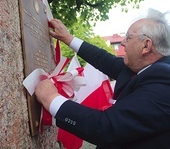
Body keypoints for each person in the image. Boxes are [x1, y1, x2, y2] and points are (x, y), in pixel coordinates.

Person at [35, 8, 170, 149]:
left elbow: (107, 127)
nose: (123, 43)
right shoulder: (146, 67)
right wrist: (68, 38)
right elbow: (104, 59)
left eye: (128, 37)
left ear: (146, 45)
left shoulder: (164, 82)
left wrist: (50, 98)